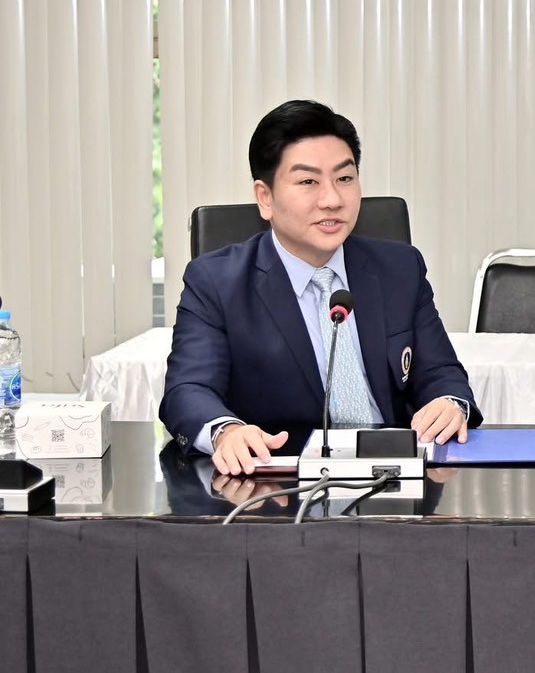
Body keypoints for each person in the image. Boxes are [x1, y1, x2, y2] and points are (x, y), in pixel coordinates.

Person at [160, 100, 482, 475]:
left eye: (344, 179)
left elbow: (442, 372)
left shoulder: (400, 269)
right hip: (280, 485)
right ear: (265, 198)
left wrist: (449, 403)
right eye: (308, 182)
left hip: (393, 478)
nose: (332, 200)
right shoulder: (216, 282)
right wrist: (225, 431)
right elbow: (188, 390)